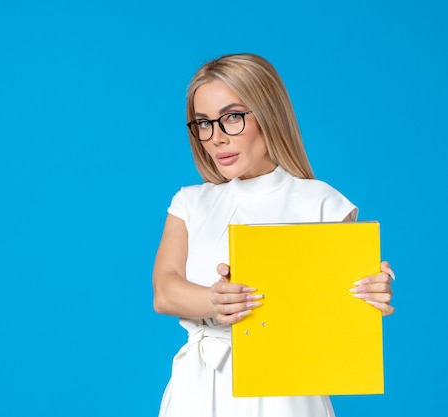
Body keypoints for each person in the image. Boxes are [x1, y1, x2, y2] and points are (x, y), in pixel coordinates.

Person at [152, 53, 395, 417]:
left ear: (268, 114)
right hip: (197, 389)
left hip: (287, 391)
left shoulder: (322, 203)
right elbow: (164, 290)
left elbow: (341, 310)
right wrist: (215, 301)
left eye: (232, 117)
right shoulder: (190, 203)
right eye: (203, 123)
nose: (216, 138)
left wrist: (369, 292)